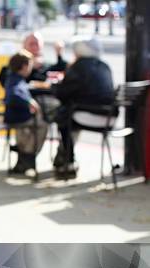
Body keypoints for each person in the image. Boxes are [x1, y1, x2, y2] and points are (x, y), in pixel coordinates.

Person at [51, 36, 115, 178]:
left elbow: (63, 93)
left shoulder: (78, 67)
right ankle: (64, 158)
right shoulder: (104, 66)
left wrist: (53, 86)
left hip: (88, 115)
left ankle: (67, 161)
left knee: (63, 118)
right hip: (110, 117)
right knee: (69, 116)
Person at [4, 50, 48, 174]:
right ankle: (28, 155)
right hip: (18, 117)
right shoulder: (16, 80)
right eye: (29, 65)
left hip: (16, 116)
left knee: (30, 128)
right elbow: (14, 94)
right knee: (43, 125)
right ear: (24, 67)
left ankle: (24, 156)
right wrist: (29, 101)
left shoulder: (14, 78)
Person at [0, 31, 68, 86]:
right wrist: (28, 67)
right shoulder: (15, 64)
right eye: (31, 44)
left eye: (37, 44)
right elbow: (4, 79)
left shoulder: (45, 65)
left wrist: (59, 54)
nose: (34, 47)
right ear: (24, 45)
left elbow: (63, 69)